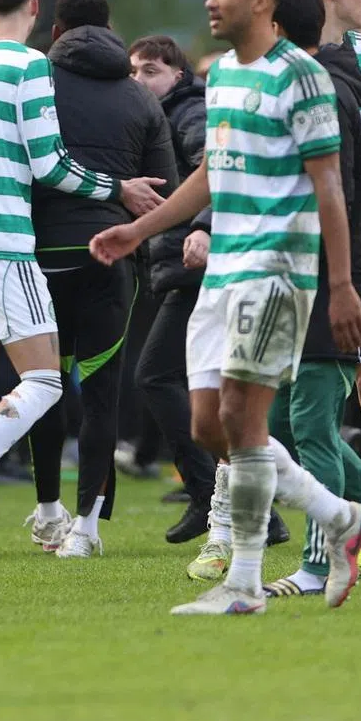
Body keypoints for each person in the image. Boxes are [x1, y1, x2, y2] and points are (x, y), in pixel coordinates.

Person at [91, 0, 361, 616]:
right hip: (224, 271)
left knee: (243, 421)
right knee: (210, 426)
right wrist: (140, 229)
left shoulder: (301, 77)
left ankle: (245, 583)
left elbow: (328, 184)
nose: (210, 1)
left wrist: (341, 285)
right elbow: (210, 175)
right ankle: (339, 516)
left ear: (263, 2)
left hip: (277, 269)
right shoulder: (221, 80)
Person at [0, 0, 165, 560]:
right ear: (33, 7)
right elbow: (51, 165)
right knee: (46, 381)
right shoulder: (29, 65)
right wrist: (118, 188)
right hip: (2, 240)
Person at [25, 0, 178, 559]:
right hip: (111, 257)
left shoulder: (33, 85)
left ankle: (46, 512)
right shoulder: (139, 98)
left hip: (39, 255)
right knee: (100, 394)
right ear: (112, 28)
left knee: (42, 385)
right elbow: (163, 187)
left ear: (57, 28)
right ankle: (86, 530)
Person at [249, 0, 361, 596]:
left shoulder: (324, 95)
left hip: (332, 280)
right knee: (274, 422)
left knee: (311, 427)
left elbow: (339, 198)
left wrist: (342, 285)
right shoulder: (284, 87)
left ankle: (314, 561)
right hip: (292, 279)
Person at [288, 0, 361, 481]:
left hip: (349, 260)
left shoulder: (351, 70)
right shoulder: (280, 69)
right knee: (273, 417)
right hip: (300, 262)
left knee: (307, 418)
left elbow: (336, 188)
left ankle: (333, 548)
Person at [128, 35, 220, 544]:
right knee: (209, 392)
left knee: (155, 375)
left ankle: (208, 497)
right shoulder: (163, 116)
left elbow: (218, 171)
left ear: (177, 77)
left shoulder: (190, 113)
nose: (138, 81)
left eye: (149, 71)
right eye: (133, 72)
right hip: (181, 267)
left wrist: (202, 226)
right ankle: (249, 510)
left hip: (197, 267)